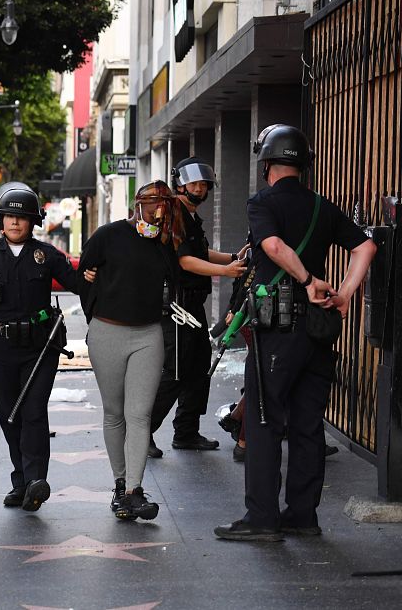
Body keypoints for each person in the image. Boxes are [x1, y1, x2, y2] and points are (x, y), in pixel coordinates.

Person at [215, 124, 376, 541]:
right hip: (319, 330)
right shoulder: (323, 207)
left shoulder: (262, 203)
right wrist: (342, 294)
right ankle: (302, 516)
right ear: (303, 166)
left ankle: (262, 519)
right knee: (307, 424)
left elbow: (271, 247)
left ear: (266, 164)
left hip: (278, 328)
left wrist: (305, 280)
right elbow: (366, 247)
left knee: (265, 420)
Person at [0, 182, 84, 512]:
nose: (15, 223)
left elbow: (81, 284)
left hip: (40, 348)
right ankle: (21, 480)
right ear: (0, 219)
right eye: (8, 217)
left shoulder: (47, 255)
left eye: (21, 218)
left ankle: (37, 479)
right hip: (0, 348)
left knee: (33, 411)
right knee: (10, 415)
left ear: (33, 222)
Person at [79, 180, 184, 520]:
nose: (158, 209)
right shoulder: (108, 235)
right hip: (107, 331)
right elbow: (83, 275)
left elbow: (181, 277)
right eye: (152, 202)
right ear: (137, 203)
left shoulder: (165, 244)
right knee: (114, 412)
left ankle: (134, 490)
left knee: (139, 413)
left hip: (148, 334)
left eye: (164, 204)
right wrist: (92, 304)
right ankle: (119, 483)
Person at [147, 157, 248, 458]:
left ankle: (186, 431)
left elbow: (200, 252)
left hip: (192, 305)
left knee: (197, 366)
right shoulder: (174, 213)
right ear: (180, 183)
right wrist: (226, 271)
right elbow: (185, 261)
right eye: (194, 183)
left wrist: (231, 257)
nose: (199, 188)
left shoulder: (189, 216)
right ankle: (142, 433)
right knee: (176, 369)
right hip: (176, 305)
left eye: (203, 184)